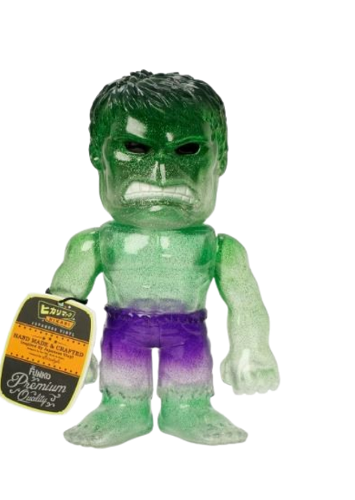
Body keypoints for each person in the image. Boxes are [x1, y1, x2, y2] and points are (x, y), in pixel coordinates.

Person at [50, 70, 279, 447]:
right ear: (96, 154)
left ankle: (188, 408)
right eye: (135, 148)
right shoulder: (94, 244)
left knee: (189, 389)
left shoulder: (220, 248)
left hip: (187, 332)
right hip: (124, 331)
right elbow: (62, 299)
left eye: (187, 150)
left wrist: (252, 348)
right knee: (123, 389)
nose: (160, 173)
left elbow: (246, 303)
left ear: (221, 159)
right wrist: (64, 350)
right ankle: (122, 408)